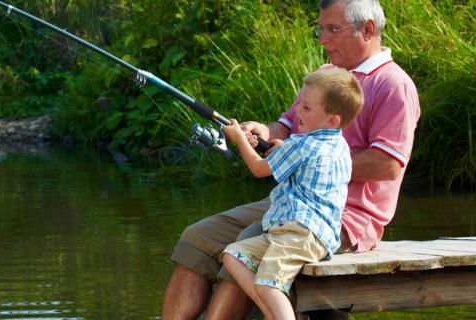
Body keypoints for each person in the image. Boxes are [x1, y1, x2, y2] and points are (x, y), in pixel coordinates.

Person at [160, 1, 421, 319]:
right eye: (320, 29)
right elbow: (286, 125)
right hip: (289, 203)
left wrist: (313, 161)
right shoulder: (327, 75)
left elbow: (388, 164)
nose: (323, 39)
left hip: (343, 218)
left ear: (367, 29)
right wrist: (261, 129)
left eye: (332, 29)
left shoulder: (394, 85)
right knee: (197, 238)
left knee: (248, 251)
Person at [219, 68, 363, 320]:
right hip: (316, 236)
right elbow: (307, 165)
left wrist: (239, 138)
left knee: (268, 284)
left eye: (306, 108)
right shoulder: (340, 145)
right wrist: (284, 151)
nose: (297, 112)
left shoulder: (301, 144)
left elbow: (258, 168)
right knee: (234, 255)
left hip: (298, 233)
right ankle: (276, 314)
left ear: (333, 120)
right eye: (300, 105)